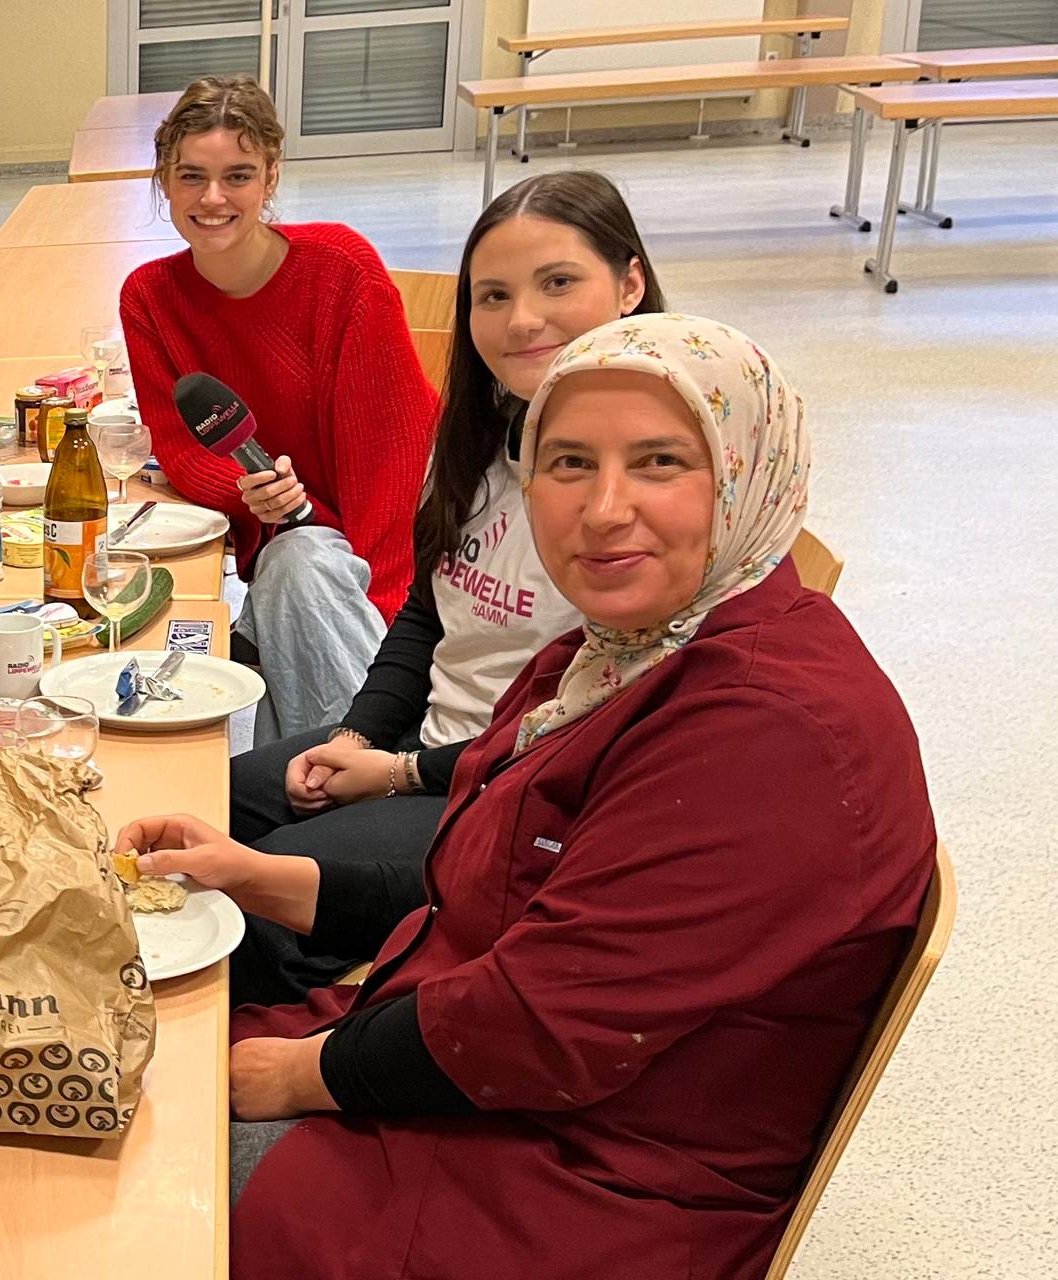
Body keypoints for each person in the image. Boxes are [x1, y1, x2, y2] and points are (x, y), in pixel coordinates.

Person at [119, 316, 937, 1278]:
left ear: (749, 476)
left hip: (587, 1182)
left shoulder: (768, 731)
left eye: (662, 462)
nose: (603, 509)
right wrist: (261, 877)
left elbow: (540, 1029)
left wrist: (304, 1072)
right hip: (510, 1093)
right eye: (569, 463)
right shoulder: (621, 653)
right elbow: (487, 884)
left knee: (131, 1177)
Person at [221, 171, 660, 1004]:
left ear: (630, 284)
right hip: (430, 749)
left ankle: (264, 1079)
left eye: (558, 283)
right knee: (209, 803)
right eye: (492, 295)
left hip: (520, 797)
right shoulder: (482, 438)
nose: (521, 318)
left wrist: (401, 773)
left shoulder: (639, 487)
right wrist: (358, 736)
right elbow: (430, 612)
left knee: (248, 899)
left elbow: (591, 728)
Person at [120, 74, 439, 740]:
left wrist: (383, 614)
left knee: (304, 573)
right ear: (163, 180)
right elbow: (178, 446)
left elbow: (395, 459)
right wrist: (251, 493)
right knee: (289, 576)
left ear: (271, 177)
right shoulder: (149, 296)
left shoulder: (340, 270)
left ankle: (369, 770)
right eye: (191, 177)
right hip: (289, 542)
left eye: (237, 175)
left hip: (386, 542)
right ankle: (331, 778)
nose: (212, 199)